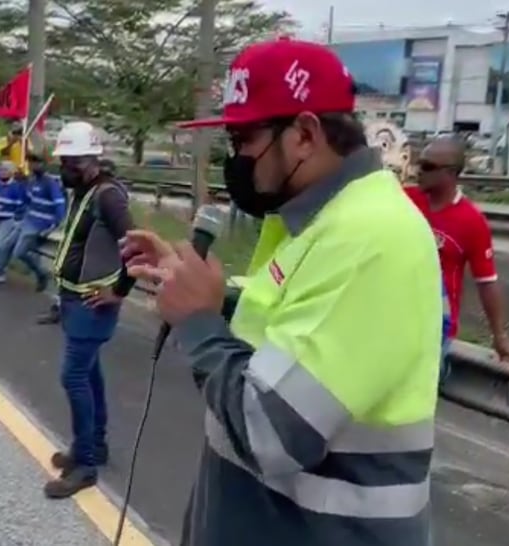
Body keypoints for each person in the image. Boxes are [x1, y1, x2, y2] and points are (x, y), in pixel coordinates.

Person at [120, 38, 442, 546]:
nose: (236, 158)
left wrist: (200, 323)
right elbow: (283, 335)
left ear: (306, 134)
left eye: (244, 139)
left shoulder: (371, 237)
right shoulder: (314, 223)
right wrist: (198, 293)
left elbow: (271, 431)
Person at [42, 121, 136, 499]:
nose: (64, 167)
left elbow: (134, 246)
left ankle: (85, 466)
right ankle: (92, 446)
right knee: (89, 373)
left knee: (74, 377)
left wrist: (119, 291)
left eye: (71, 161)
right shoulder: (86, 190)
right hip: (74, 300)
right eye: (63, 160)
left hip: (92, 305)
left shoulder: (108, 196)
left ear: (91, 159)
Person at [406, 137, 509, 363]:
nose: (419, 171)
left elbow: (487, 281)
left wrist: (499, 336)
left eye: (427, 167)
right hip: (397, 315)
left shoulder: (471, 221)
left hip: (435, 325)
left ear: (450, 173)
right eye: (419, 164)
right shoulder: (405, 200)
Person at [11, 153, 66, 291]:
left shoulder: (50, 183)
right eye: (32, 163)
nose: (34, 166)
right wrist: (21, 183)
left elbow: (59, 205)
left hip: (41, 224)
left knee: (19, 253)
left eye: (38, 163)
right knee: (7, 246)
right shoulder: (32, 181)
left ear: (44, 164)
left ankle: (42, 273)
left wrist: (55, 224)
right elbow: (27, 200)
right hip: (28, 220)